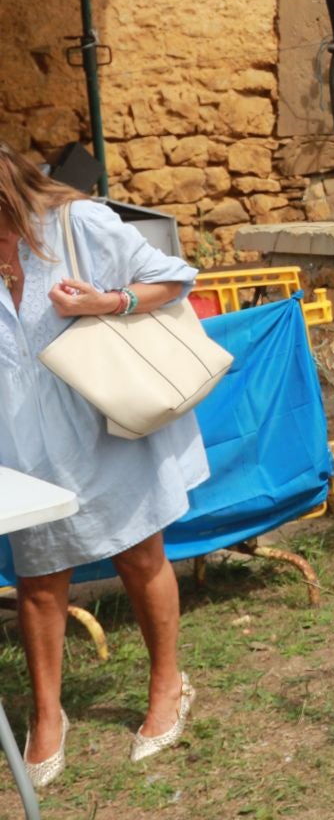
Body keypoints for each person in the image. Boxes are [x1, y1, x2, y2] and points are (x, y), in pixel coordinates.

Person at [0, 142, 205, 785]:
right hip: (19, 440)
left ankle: (168, 683)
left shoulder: (76, 223)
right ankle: (48, 715)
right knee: (39, 579)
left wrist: (106, 302)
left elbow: (174, 278)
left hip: (102, 418)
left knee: (140, 556)